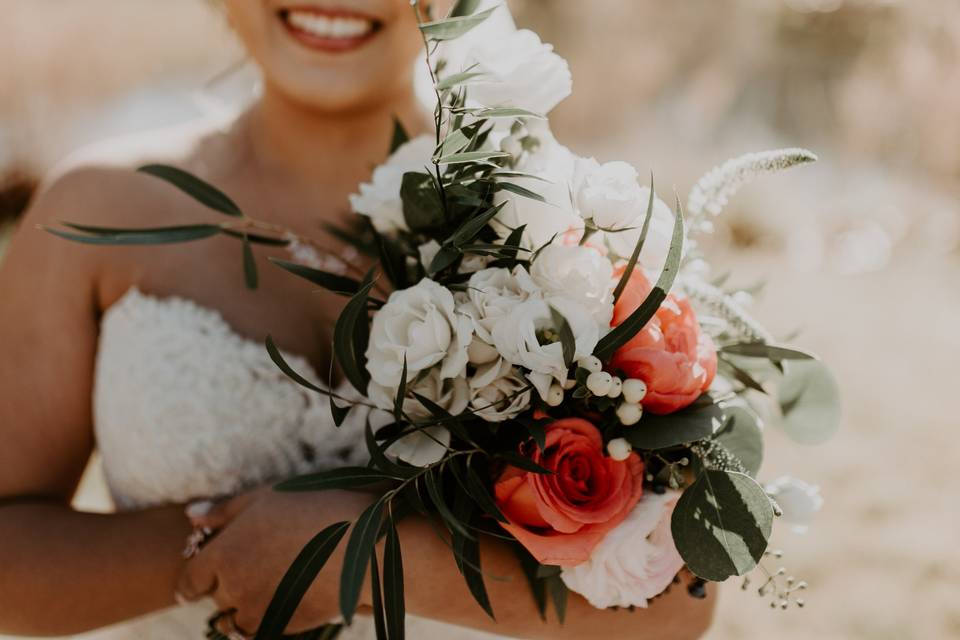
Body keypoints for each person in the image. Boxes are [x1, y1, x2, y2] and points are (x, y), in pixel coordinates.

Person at [0, 1, 715, 638]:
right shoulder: (95, 213)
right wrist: (216, 557)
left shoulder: (559, 225)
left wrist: (365, 557)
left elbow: (686, 600)